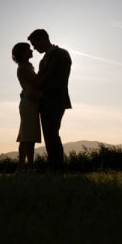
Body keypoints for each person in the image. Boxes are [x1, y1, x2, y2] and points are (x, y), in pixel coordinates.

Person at [27, 29, 71, 173]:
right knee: (49, 135)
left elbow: (61, 80)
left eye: (35, 44)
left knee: (52, 133)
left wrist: (41, 94)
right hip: (44, 103)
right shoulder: (42, 61)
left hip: (56, 101)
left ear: (43, 39)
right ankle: (53, 167)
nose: (34, 48)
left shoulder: (62, 54)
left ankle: (57, 168)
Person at [11, 42, 41, 173]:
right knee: (28, 137)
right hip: (29, 104)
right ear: (23, 53)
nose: (32, 51)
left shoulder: (25, 67)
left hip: (29, 103)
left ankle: (24, 167)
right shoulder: (23, 68)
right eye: (29, 49)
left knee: (27, 136)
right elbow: (38, 82)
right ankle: (28, 167)